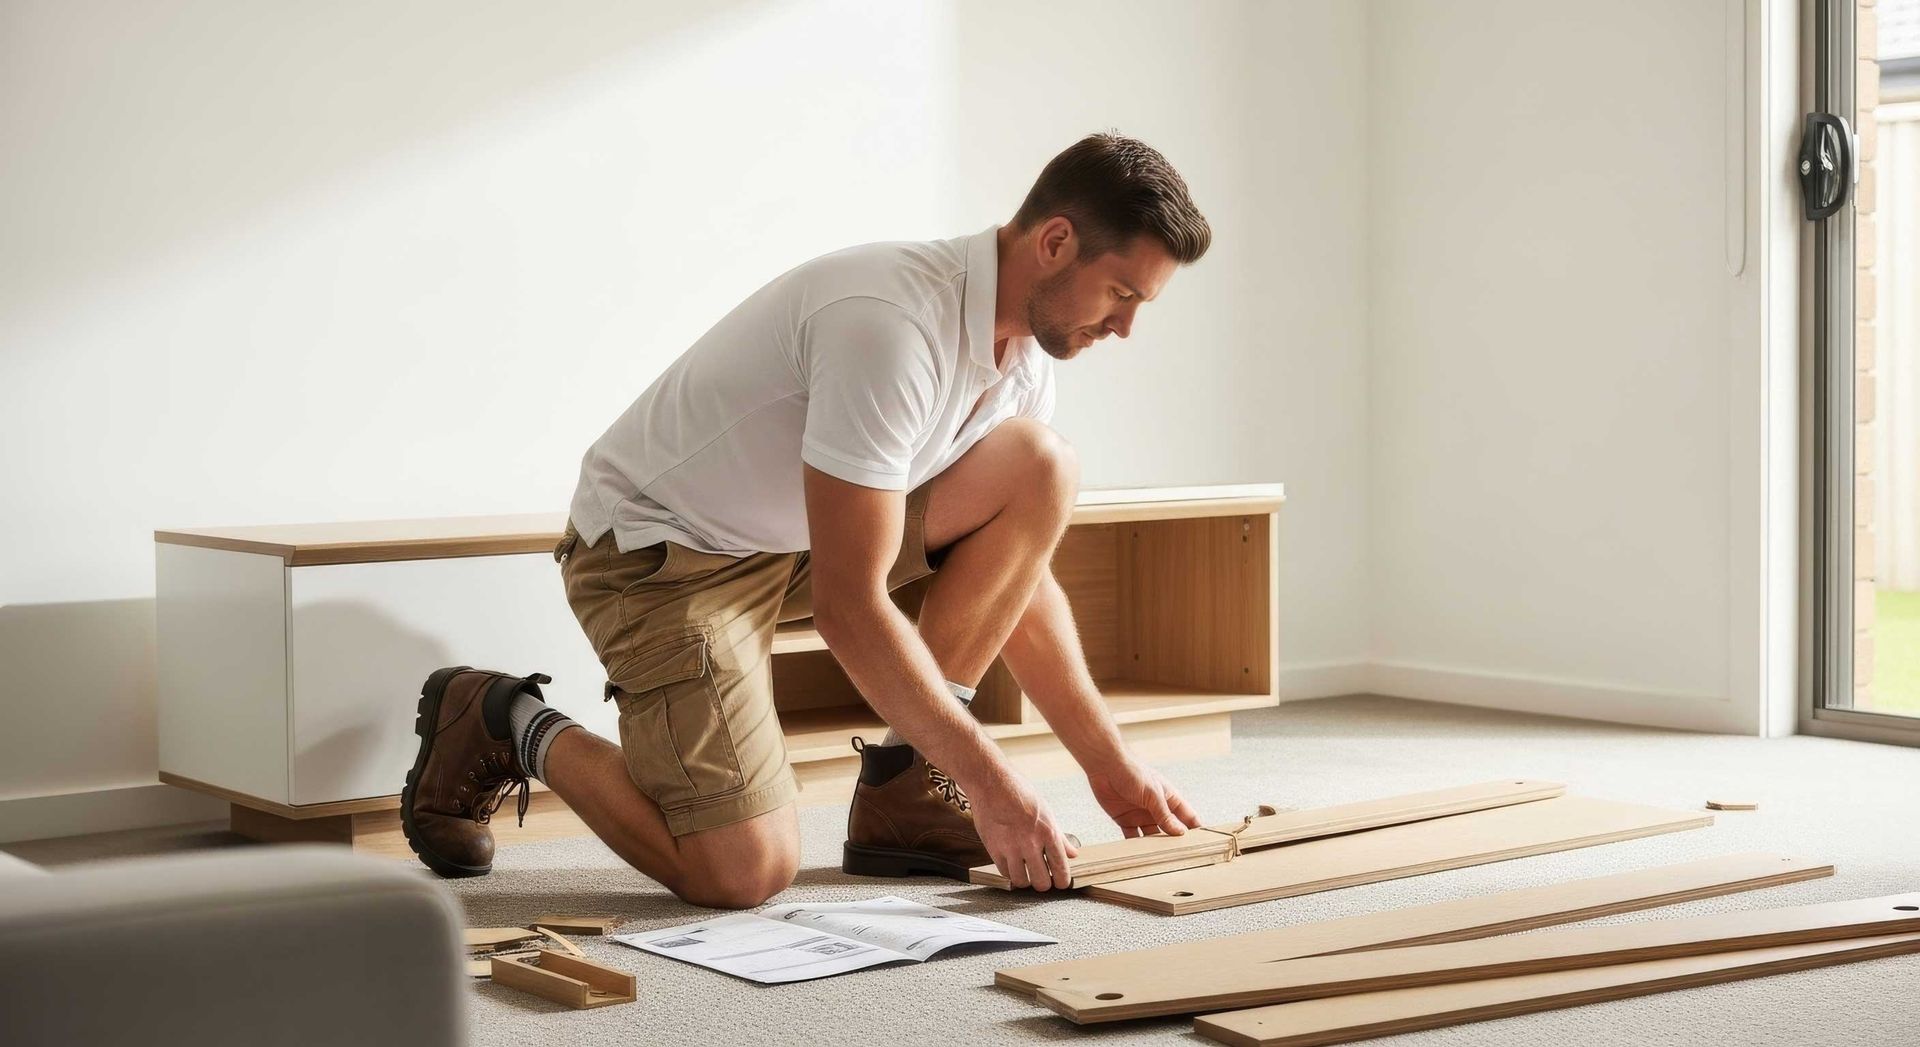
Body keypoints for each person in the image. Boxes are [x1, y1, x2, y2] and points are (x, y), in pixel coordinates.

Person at [399, 131, 1212, 908]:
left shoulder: (1026, 357)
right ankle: (505, 717)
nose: (1126, 326)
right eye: (1122, 293)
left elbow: (1018, 582)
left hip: (791, 540)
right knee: (743, 870)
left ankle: (906, 790)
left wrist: (1113, 770)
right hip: (660, 555)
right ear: (1056, 241)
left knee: (1041, 466)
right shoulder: (889, 323)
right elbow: (849, 606)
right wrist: (996, 785)